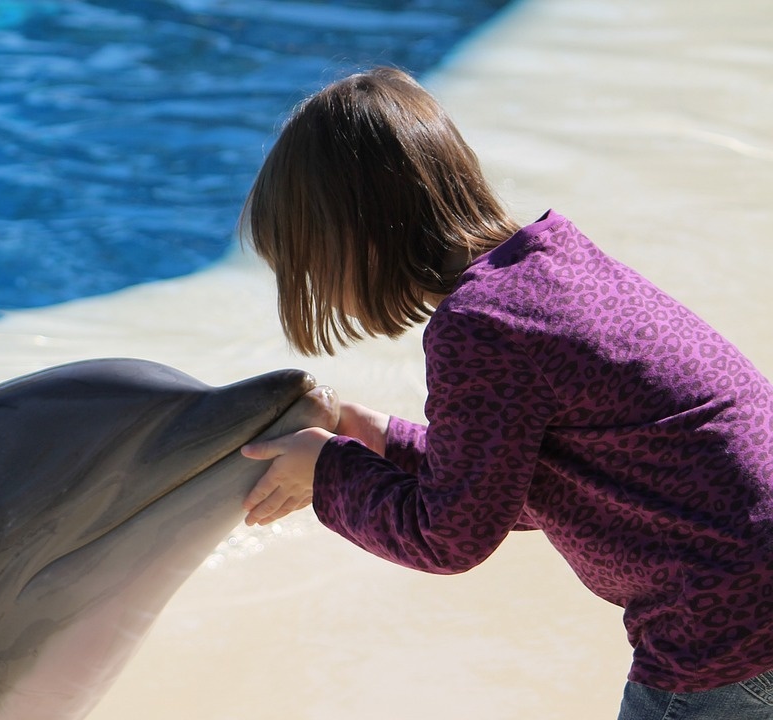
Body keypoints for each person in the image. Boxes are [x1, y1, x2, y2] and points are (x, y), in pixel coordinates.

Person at [236, 66, 773, 719]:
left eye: (308, 265)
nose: (316, 287)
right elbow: (514, 484)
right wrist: (369, 433)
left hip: (726, 629)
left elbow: (446, 536)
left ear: (357, 238)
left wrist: (326, 473)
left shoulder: (482, 327)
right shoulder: (549, 269)